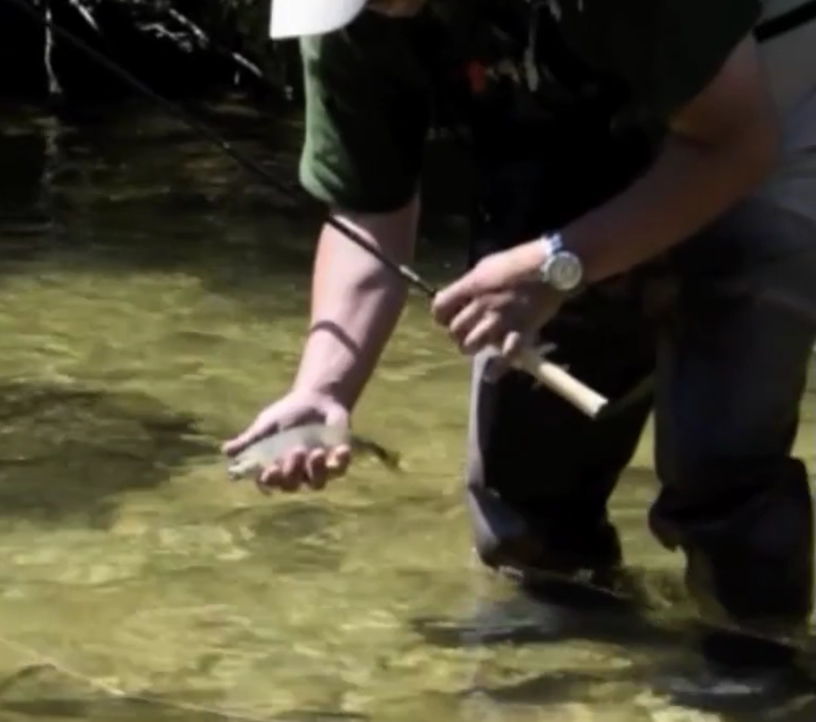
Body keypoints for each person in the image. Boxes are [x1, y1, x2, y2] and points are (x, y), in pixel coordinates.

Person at [222, 0, 816, 696]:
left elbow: (737, 142)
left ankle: (759, 679)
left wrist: (560, 263)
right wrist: (324, 389)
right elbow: (370, 211)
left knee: (720, 467)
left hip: (759, 102)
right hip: (578, 128)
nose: (367, 11)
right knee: (525, 508)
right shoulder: (352, 18)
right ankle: (582, 685)